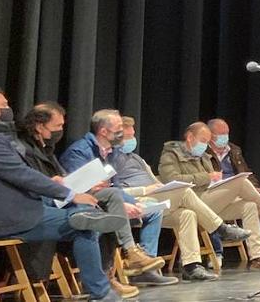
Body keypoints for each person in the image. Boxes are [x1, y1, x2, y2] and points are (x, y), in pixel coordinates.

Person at [0, 89, 127, 302]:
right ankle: (101, 291)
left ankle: (94, 228)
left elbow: (19, 175)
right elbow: (20, 174)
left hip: (17, 208)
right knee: (85, 224)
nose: (8, 109)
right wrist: (70, 194)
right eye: (4, 105)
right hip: (5, 217)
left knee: (85, 216)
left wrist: (60, 189)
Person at [15, 103, 168, 294]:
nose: (61, 130)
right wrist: (83, 187)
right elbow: (55, 183)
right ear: (39, 126)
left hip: (73, 197)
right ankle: (107, 279)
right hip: (56, 202)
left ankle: (131, 255)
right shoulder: (75, 151)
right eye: (58, 126)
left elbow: (114, 186)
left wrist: (130, 202)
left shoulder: (50, 149)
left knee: (114, 198)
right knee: (101, 216)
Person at [112, 115, 252, 281]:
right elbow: (114, 191)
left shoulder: (137, 158)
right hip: (136, 201)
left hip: (157, 200)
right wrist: (144, 190)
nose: (132, 140)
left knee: (188, 214)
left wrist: (160, 188)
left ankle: (191, 267)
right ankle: (220, 228)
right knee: (184, 190)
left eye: (133, 135)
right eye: (128, 137)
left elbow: (155, 180)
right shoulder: (111, 159)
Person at [158, 122, 260, 270]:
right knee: (241, 182)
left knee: (249, 206)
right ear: (190, 137)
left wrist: (216, 182)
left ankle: (257, 256)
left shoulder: (203, 156)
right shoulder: (170, 154)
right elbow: (171, 180)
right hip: (191, 201)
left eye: (207, 142)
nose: (204, 145)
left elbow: (209, 182)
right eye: (203, 141)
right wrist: (207, 177)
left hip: (208, 200)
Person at [59, 109, 167, 282]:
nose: (122, 132)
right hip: (86, 205)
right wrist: (122, 205)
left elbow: (115, 185)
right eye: (118, 128)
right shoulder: (79, 151)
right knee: (109, 213)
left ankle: (144, 266)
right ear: (103, 131)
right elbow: (76, 190)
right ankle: (119, 265)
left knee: (153, 210)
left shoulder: (112, 152)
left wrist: (132, 203)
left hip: (110, 201)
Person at [206, 118, 260, 266]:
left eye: (227, 134)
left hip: (238, 193)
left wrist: (255, 189)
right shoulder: (204, 153)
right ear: (210, 136)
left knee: (256, 203)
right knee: (253, 196)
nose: (225, 138)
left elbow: (246, 173)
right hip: (216, 194)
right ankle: (216, 253)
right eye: (221, 134)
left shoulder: (234, 150)